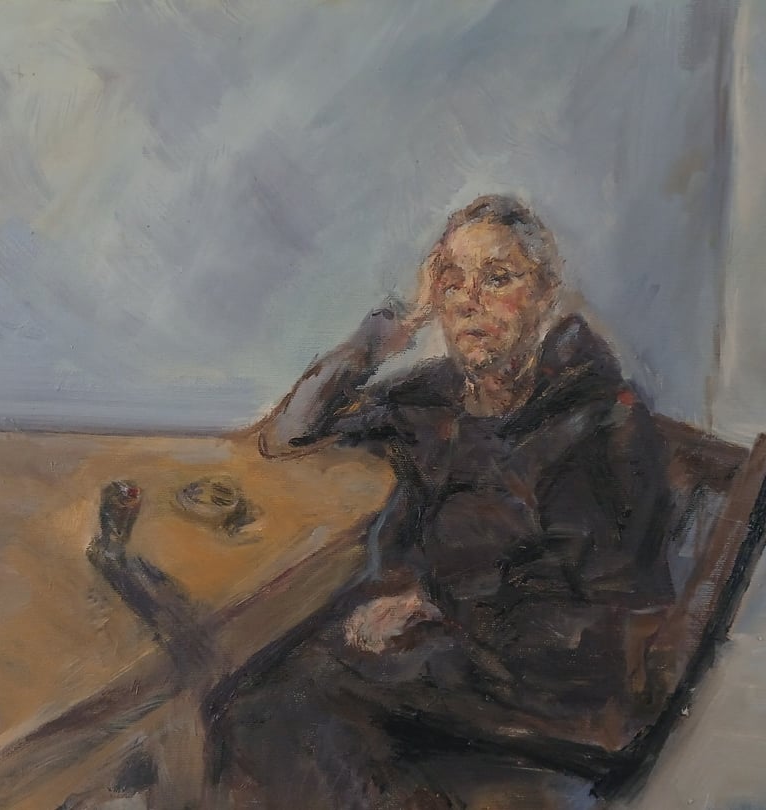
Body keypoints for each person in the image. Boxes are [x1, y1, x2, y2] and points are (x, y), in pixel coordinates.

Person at [202, 195, 674, 809]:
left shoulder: (600, 419)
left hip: (536, 687)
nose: (470, 302)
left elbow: (604, 615)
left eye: (497, 279)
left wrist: (435, 607)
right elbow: (289, 433)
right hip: (439, 647)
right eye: (452, 283)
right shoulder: (438, 396)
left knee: (273, 713)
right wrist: (392, 330)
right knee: (248, 695)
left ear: (545, 293)